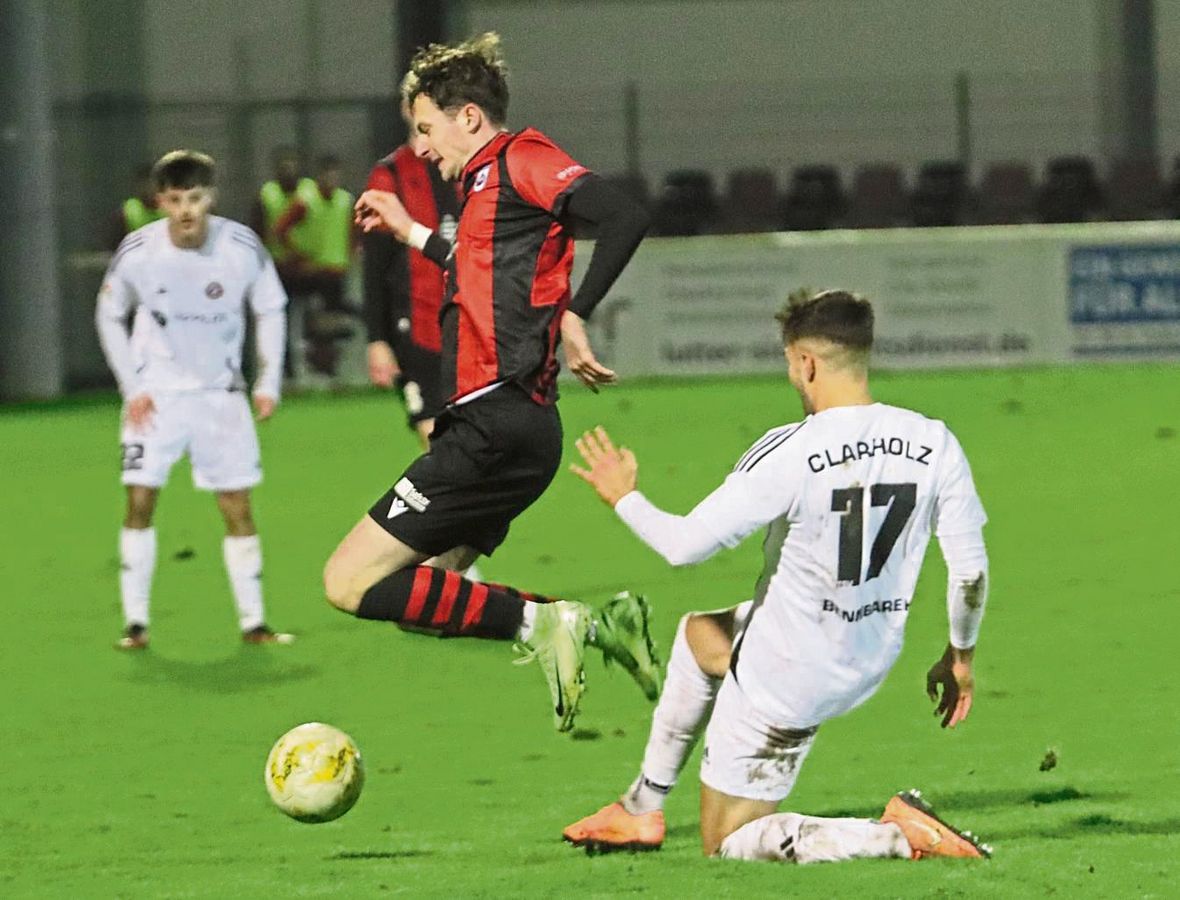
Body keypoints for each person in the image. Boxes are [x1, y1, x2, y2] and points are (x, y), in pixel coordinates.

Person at [563, 290, 992, 862]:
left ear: (805, 363)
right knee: (700, 636)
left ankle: (892, 837)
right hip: (869, 653)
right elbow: (970, 572)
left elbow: (684, 547)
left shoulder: (791, 451)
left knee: (728, 844)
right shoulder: (934, 441)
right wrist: (959, 657)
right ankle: (640, 808)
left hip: (786, 671)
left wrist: (624, 497)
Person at [329, 32, 656, 731]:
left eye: (426, 129)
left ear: (468, 118)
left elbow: (624, 214)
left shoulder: (520, 158)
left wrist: (575, 310)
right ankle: (601, 627)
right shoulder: (483, 187)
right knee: (426, 601)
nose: (420, 148)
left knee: (348, 583)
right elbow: (476, 267)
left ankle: (548, 624)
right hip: (516, 429)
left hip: (492, 421)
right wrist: (410, 230)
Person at [96, 149, 293, 650]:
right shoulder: (139, 251)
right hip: (156, 398)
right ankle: (135, 624)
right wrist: (132, 386)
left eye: (196, 198)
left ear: (211, 197)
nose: (186, 210)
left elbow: (271, 307)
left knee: (237, 507)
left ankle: (254, 623)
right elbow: (109, 314)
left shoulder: (240, 247)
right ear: (160, 201)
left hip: (220, 397)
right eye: (176, 200)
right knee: (140, 499)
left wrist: (268, 382)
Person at [362, 91, 460, 449]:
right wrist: (377, 338)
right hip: (415, 329)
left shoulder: (469, 167)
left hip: (472, 329)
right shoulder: (389, 175)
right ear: (408, 109)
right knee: (439, 441)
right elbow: (374, 263)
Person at [106, 163, 166, 250]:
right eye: (144, 185)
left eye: (153, 185)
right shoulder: (127, 212)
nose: (148, 190)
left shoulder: (171, 210)